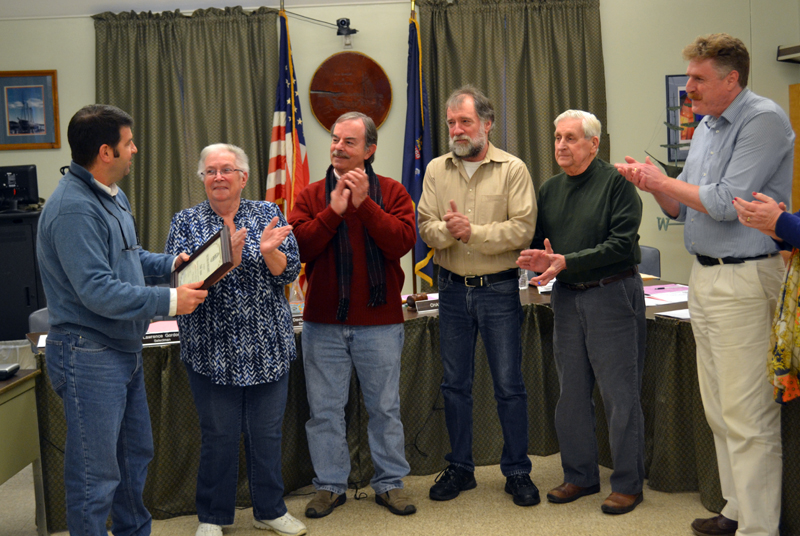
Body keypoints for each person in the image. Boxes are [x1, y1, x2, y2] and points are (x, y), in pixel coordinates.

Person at [616, 33, 794, 536]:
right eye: (689, 77)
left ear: (731, 78)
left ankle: (760, 528)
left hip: (746, 276)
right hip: (706, 276)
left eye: (698, 79)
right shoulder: (710, 125)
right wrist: (654, 184)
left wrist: (664, 183)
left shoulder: (762, 118)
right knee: (718, 408)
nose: (688, 89)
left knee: (747, 413)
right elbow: (680, 206)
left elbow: (723, 202)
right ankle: (736, 509)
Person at [37, 104, 208, 536]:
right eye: (129, 143)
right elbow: (98, 291)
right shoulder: (74, 209)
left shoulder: (112, 194)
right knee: (96, 476)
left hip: (121, 349)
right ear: (105, 152)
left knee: (135, 459)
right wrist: (170, 300)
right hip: (88, 354)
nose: (136, 149)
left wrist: (172, 262)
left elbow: (127, 260)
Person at [164, 144, 306, 536]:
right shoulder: (186, 222)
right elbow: (179, 284)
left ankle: (270, 510)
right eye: (210, 171)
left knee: (267, 434)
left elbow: (288, 270)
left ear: (243, 177)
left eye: (227, 170)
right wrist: (227, 259)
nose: (218, 177)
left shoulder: (267, 214)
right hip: (210, 350)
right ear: (203, 180)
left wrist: (267, 253)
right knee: (219, 437)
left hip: (267, 348)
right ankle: (212, 517)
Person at [288, 112, 417, 519]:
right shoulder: (310, 195)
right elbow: (299, 250)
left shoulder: (393, 192)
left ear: (370, 151)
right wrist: (334, 211)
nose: (338, 147)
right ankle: (329, 485)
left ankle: (390, 483)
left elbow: (401, 243)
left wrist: (364, 206)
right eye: (336, 139)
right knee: (324, 410)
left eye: (349, 142)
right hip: (323, 323)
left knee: (385, 408)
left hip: (380, 322)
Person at [517, 110, 646, 515]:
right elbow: (543, 245)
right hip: (567, 299)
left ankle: (628, 483)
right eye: (557, 137)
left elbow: (621, 246)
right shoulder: (550, 189)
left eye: (571, 138)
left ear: (594, 143)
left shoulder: (617, 185)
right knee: (571, 394)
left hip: (612, 295)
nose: (560, 145)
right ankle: (580, 476)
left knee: (619, 395)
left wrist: (565, 261)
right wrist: (540, 260)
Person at [417, 85, 538, 506]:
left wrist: (475, 233)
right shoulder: (436, 169)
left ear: (487, 123)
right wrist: (447, 231)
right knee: (455, 385)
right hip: (451, 290)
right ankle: (461, 468)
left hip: (500, 290)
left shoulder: (513, 169)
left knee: (509, 384)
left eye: (465, 121)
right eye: (451, 122)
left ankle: (518, 471)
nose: (457, 129)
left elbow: (523, 228)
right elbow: (425, 225)